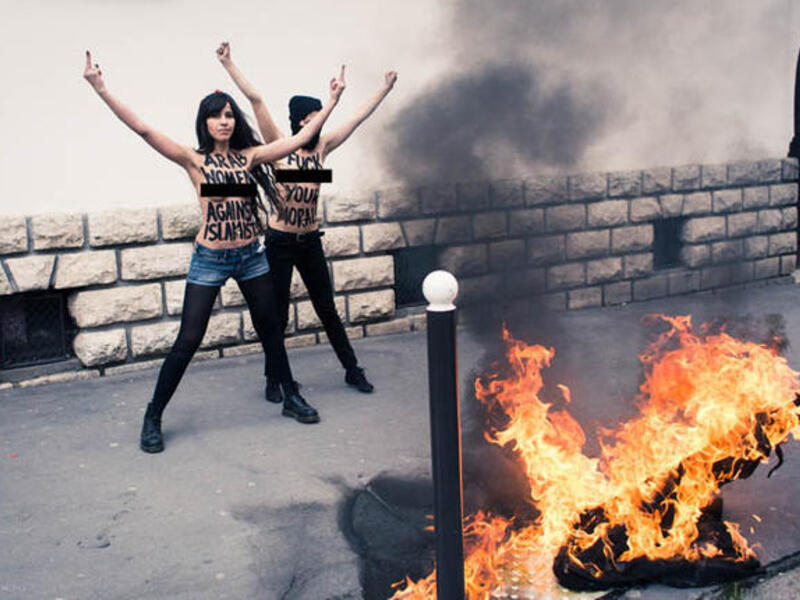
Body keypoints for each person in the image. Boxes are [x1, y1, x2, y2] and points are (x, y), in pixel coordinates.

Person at [83, 50, 346, 452]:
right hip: (210, 258)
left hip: (251, 256)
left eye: (228, 115)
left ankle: (290, 395)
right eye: (216, 116)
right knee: (189, 339)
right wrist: (102, 89)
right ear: (204, 122)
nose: (224, 121)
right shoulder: (193, 160)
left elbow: (298, 139)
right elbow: (144, 129)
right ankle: (153, 415)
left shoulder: (249, 157)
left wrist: (332, 102)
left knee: (271, 329)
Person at [216, 42, 397, 401]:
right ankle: (274, 379)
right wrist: (228, 63)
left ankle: (352, 369)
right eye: (315, 116)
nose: (321, 121)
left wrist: (384, 89)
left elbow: (357, 119)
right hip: (280, 243)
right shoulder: (279, 146)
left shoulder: (323, 147)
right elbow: (256, 100)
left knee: (327, 309)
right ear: (301, 121)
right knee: (278, 316)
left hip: (310, 241)